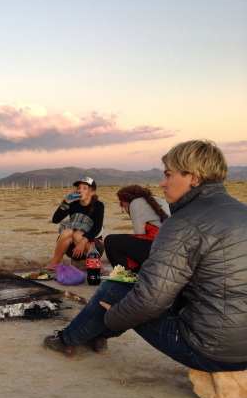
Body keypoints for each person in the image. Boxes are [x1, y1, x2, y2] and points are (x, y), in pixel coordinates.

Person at [43, 140, 247, 373]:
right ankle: (93, 336)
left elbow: (149, 300)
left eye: (168, 175)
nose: (162, 183)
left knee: (119, 288)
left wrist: (112, 317)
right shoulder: (241, 211)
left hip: (214, 350)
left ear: (194, 177)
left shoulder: (184, 223)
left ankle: (67, 339)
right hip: (238, 339)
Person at [104, 185, 170, 271]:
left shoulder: (135, 203)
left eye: (121, 203)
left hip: (156, 249)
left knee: (110, 240)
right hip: (167, 248)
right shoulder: (159, 200)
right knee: (126, 240)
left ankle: (124, 274)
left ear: (126, 200)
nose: (122, 206)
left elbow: (139, 234)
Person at [47, 176, 105, 269]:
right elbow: (55, 220)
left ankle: (97, 265)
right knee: (67, 232)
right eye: (78, 188)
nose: (79, 190)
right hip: (72, 248)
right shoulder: (73, 204)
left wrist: (82, 241)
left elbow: (97, 228)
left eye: (84, 188)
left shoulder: (98, 205)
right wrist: (65, 202)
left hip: (93, 246)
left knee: (77, 234)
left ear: (92, 192)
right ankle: (54, 264)